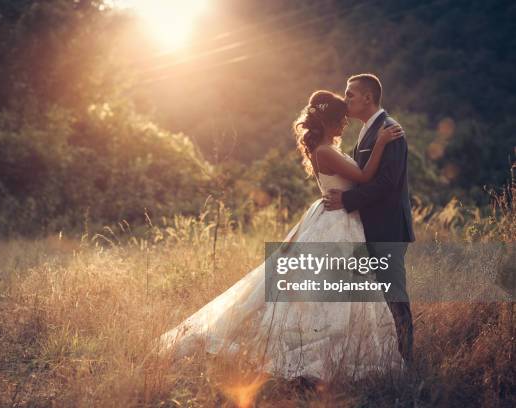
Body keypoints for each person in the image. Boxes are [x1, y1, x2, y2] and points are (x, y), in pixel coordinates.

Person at [159, 90, 406, 380]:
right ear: (327, 122)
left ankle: (337, 354)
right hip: (336, 222)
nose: (344, 126)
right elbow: (363, 178)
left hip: (339, 219)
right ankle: (314, 355)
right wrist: (380, 143)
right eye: (340, 121)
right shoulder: (325, 151)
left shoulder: (328, 148)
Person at [324, 73, 415, 365]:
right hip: (371, 226)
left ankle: (406, 361)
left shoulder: (391, 130)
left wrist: (347, 200)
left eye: (350, 94)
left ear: (368, 97)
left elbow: (388, 182)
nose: (346, 98)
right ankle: (383, 358)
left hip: (387, 227)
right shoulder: (369, 129)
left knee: (394, 295)